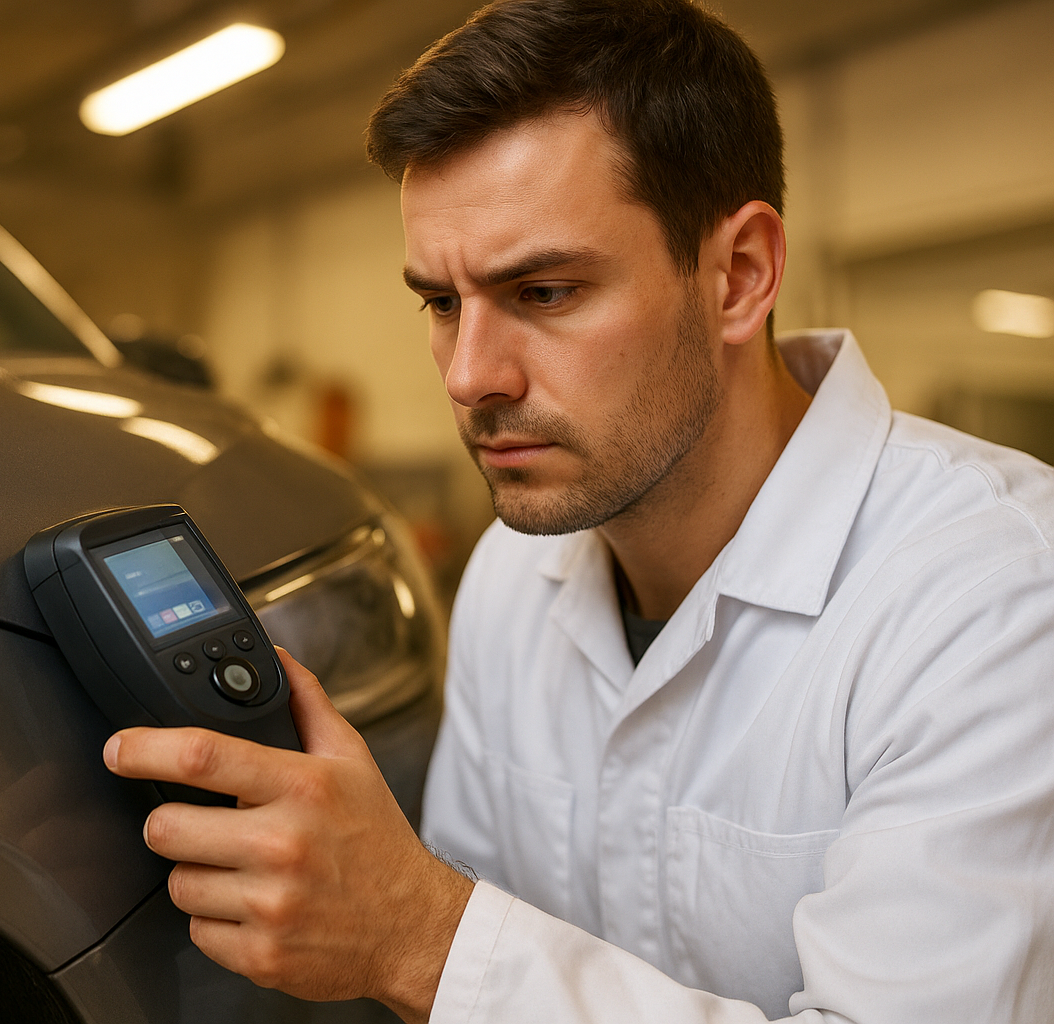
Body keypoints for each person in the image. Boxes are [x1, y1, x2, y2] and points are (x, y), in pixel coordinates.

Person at [102, 0, 1054, 1020]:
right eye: (440, 301)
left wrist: (418, 935)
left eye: (546, 291)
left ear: (739, 275)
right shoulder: (518, 570)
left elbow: (447, 942)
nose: (470, 375)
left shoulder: (993, 596)